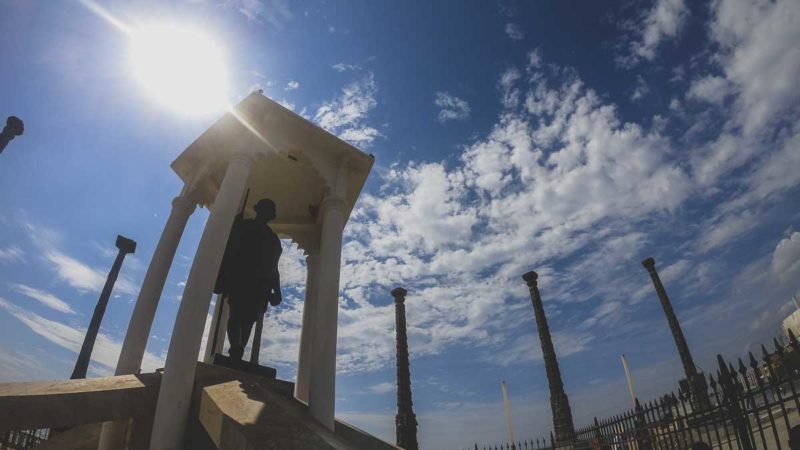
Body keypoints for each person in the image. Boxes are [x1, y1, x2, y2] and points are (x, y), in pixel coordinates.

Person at [222, 198, 283, 361]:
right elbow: (230, 247)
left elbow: (274, 267)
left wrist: (277, 290)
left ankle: (239, 348)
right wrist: (234, 224)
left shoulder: (273, 239)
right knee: (235, 314)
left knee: (249, 319)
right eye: (264, 209)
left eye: (269, 210)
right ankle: (235, 348)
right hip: (241, 277)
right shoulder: (244, 226)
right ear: (258, 210)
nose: (266, 213)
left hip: (259, 284)